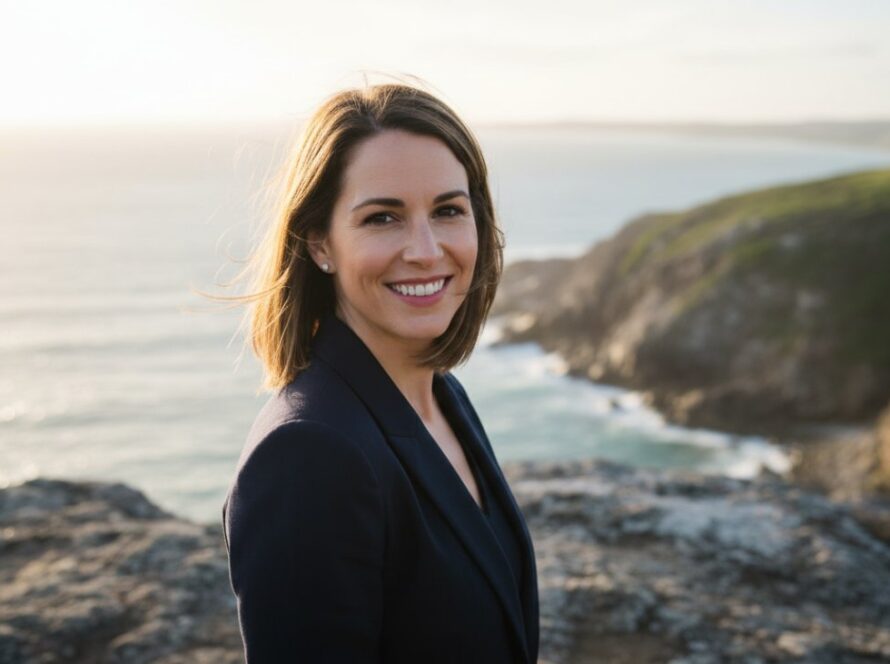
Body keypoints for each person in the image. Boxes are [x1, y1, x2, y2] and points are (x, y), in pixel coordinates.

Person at [221, 82, 540, 663]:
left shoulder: (441, 395)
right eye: (383, 218)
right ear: (320, 241)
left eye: (448, 210)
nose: (425, 250)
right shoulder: (307, 455)